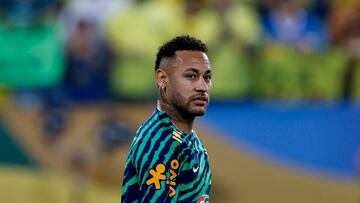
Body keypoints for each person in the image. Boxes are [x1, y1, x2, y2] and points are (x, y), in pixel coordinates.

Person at [121, 35, 212, 202]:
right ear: (163, 78)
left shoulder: (186, 139)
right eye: (191, 76)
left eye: (207, 77)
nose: (202, 86)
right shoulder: (160, 143)